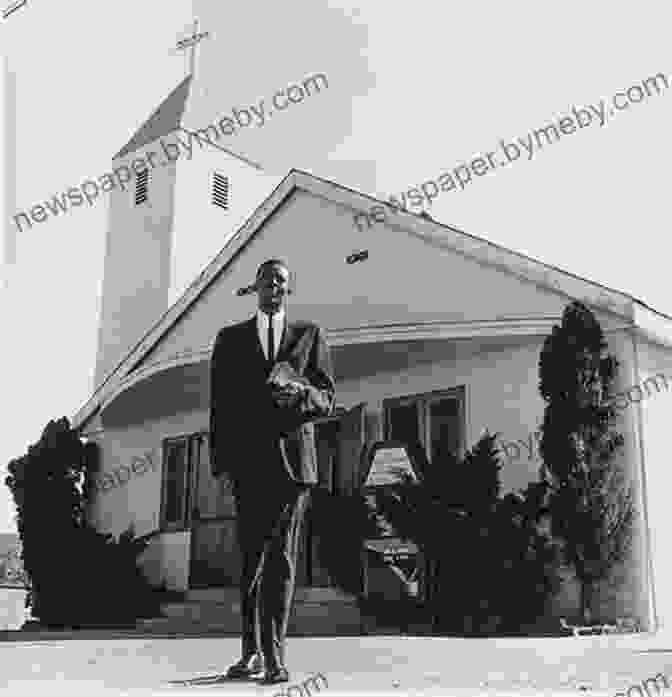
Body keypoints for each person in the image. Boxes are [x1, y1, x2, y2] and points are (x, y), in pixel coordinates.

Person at [209, 258, 335, 685]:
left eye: (281, 281)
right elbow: (219, 406)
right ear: (256, 287)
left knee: (281, 558)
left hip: (292, 467)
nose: (274, 286)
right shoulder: (229, 340)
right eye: (267, 280)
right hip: (248, 465)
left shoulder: (309, 335)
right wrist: (222, 463)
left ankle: (275, 656)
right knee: (250, 562)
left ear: (288, 289)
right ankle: (250, 654)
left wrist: (300, 393)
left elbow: (327, 399)